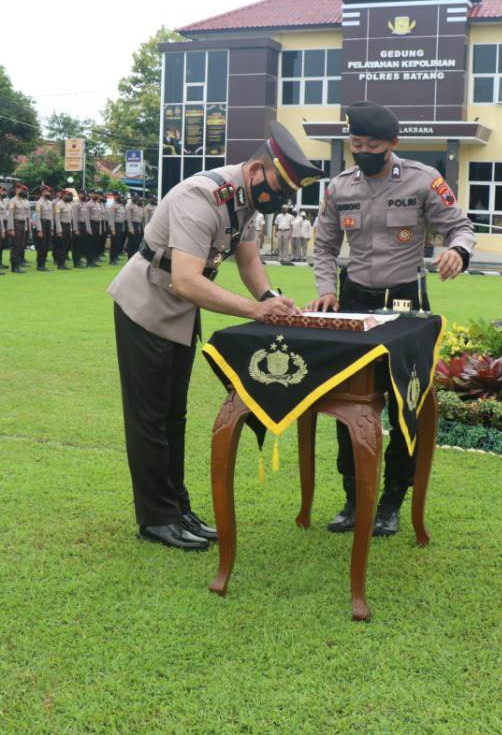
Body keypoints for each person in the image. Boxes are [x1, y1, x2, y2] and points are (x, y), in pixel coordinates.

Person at [108, 121, 317, 550]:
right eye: (280, 187)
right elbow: (185, 279)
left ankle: (178, 508)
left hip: (180, 311)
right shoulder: (201, 196)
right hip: (147, 303)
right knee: (149, 419)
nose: (281, 199)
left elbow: (248, 260)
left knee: (174, 416)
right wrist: (254, 309)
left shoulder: (245, 204)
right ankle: (155, 518)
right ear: (258, 170)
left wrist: (271, 298)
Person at [308, 101, 474, 537]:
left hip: (404, 302)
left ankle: (392, 502)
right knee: (349, 401)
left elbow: (460, 226)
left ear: (392, 144)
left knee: (406, 402)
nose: (362, 150)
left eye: (372, 144)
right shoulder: (340, 186)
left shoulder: (423, 180)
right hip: (354, 300)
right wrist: (326, 289)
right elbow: (324, 246)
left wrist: (457, 250)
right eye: (355, 143)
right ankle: (352, 498)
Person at [8, 184, 30, 273]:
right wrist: (11, 229)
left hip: (22, 224)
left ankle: (19, 264)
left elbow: (25, 215)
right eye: (21, 189)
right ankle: (14, 266)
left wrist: (26, 227)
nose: (23, 191)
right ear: (16, 190)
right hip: (16, 224)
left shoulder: (24, 201)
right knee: (15, 246)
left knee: (21, 245)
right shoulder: (13, 201)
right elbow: (10, 216)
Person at [34, 185, 55, 271]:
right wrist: (39, 229)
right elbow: (37, 217)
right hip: (42, 223)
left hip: (48, 224)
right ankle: (40, 265)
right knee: (41, 246)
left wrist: (52, 228)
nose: (49, 193)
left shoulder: (50, 203)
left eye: (49, 192)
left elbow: (51, 217)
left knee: (47, 246)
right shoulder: (39, 203)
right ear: (42, 192)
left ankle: (43, 263)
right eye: (47, 191)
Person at [54, 189, 74, 269]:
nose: (68, 196)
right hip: (61, 226)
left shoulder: (69, 204)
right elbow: (57, 218)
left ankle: (63, 262)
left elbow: (70, 218)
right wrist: (59, 230)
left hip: (68, 226)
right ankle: (60, 264)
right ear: (62, 195)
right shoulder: (58, 204)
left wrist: (71, 229)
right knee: (61, 246)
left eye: (69, 195)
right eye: (66, 195)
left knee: (67, 245)